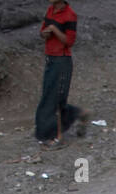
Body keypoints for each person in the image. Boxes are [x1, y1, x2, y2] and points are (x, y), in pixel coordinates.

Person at [34, 1, 87, 146]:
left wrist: (54, 29)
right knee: (51, 96)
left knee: (53, 99)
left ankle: (55, 137)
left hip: (61, 61)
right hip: (50, 58)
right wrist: (45, 33)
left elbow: (69, 41)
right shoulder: (50, 11)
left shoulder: (70, 15)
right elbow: (42, 32)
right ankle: (78, 114)